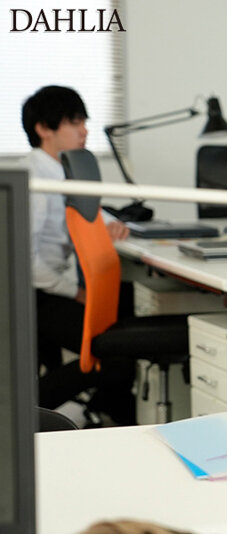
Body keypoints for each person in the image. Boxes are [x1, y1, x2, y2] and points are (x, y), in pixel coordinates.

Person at [22, 85, 134, 425]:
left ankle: (104, 411)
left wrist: (112, 222)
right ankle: (27, 411)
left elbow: (88, 209)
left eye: (84, 122)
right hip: (31, 296)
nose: (84, 130)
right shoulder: (34, 179)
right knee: (116, 348)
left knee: (128, 309)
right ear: (44, 128)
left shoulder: (62, 172)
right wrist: (76, 292)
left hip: (49, 289)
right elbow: (24, 262)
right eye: (74, 122)